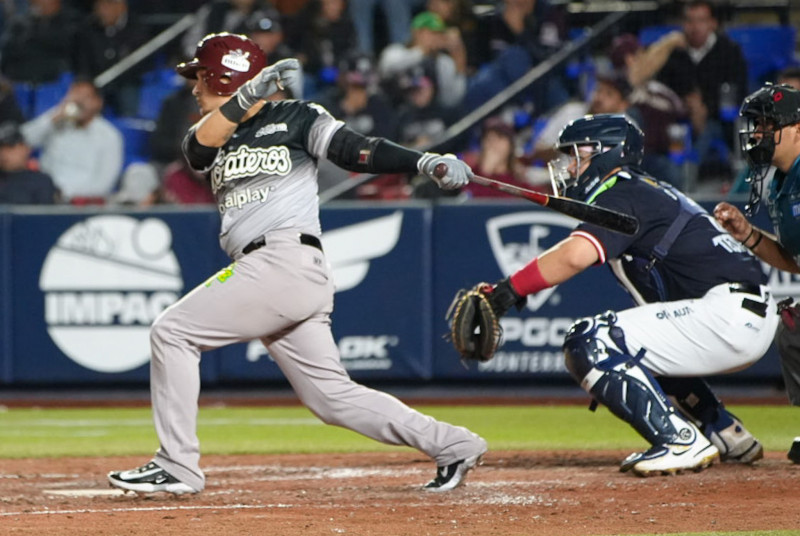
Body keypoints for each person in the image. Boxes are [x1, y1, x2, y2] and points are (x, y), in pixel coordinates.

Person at [106, 32, 487, 495]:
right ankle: (455, 444)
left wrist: (423, 161)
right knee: (332, 399)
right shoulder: (211, 134)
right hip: (276, 270)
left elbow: (356, 150)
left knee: (172, 331)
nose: (194, 86)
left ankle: (177, 465)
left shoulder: (295, 116)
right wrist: (245, 96)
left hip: (283, 259)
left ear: (223, 76)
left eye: (201, 76)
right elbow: (196, 152)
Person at [459, 113, 777, 476]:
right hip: (740, 312)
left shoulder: (622, 190)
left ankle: (678, 440)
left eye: (576, 155)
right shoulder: (641, 188)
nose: (569, 167)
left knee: (590, 340)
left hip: (728, 314)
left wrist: (507, 291)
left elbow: (575, 254)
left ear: (606, 152)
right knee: (638, 352)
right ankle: (725, 431)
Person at [713, 84, 800, 464]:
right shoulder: (782, 184)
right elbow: (792, 258)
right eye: (757, 125)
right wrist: (748, 234)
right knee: (794, 333)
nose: (759, 133)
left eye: (769, 125)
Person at [653, 0, 748, 185]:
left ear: (712, 23)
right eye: (689, 21)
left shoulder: (729, 51)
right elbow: (662, 90)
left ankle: (685, 183)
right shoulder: (674, 54)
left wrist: (704, 110)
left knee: (708, 130)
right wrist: (688, 106)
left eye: (701, 20)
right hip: (679, 119)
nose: (694, 27)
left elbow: (738, 93)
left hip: (719, 120)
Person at [20, 79, 123, 203]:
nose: (78, 101)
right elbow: (23, 140)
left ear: (98, 103)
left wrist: (67, 195)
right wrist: (53, 117)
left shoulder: (109, 136)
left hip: (82, 203)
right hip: (44, 197)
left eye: (85, 97)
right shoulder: (56, 124)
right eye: (74, 96)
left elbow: (105, 183)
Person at [72, 0, 151, 117]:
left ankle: (128, 129)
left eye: (107, 5)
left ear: (121, 7)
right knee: (86, 98)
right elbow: (83, 61)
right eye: (99, 5)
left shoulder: (137, 28)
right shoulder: (88, 28)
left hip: (127, 82)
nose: (103, 10)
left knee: (128, 95)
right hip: (97, 82)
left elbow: (143, 64)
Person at [378, 11, 467, 110]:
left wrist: (459, 58)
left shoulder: (443, 62)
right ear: (416, 32)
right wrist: (422, 51)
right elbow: (387, 67)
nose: (436, 38)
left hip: (430, 116)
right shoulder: (395, 51)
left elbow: (451, 100)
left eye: (439, 34)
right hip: (396, 112)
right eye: (432, 33)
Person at [0, 0, 79, 84]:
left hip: (64, 86)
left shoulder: (75, 24)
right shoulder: (18, 26)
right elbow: (6, 63)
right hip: (20, 86)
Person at [0, 122, 58, 204]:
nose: (4, 153)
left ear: (25, 148)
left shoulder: (41, 181)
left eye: (10, 147)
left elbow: (44, 215)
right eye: (1, 148)